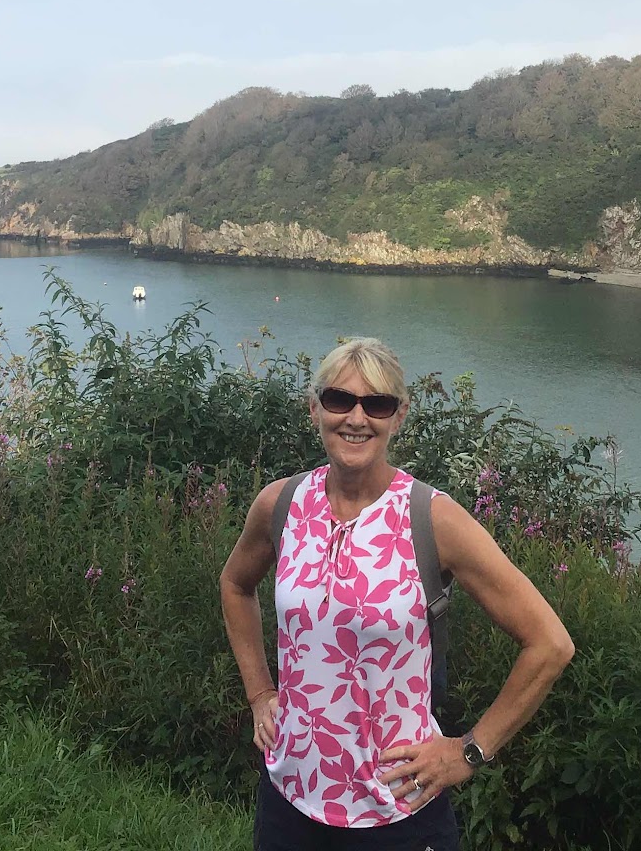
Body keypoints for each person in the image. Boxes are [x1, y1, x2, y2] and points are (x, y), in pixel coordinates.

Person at [220, 337, 575, 850]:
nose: (356, 418)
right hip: (289, 802)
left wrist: (470, 752)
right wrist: (259, 693)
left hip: (397, 813)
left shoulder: (431, 518)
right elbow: (235, 584)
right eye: (339, 399)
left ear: (399, 415)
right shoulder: (282, 504)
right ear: (315, 408)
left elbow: (550, 643)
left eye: (377, 404)